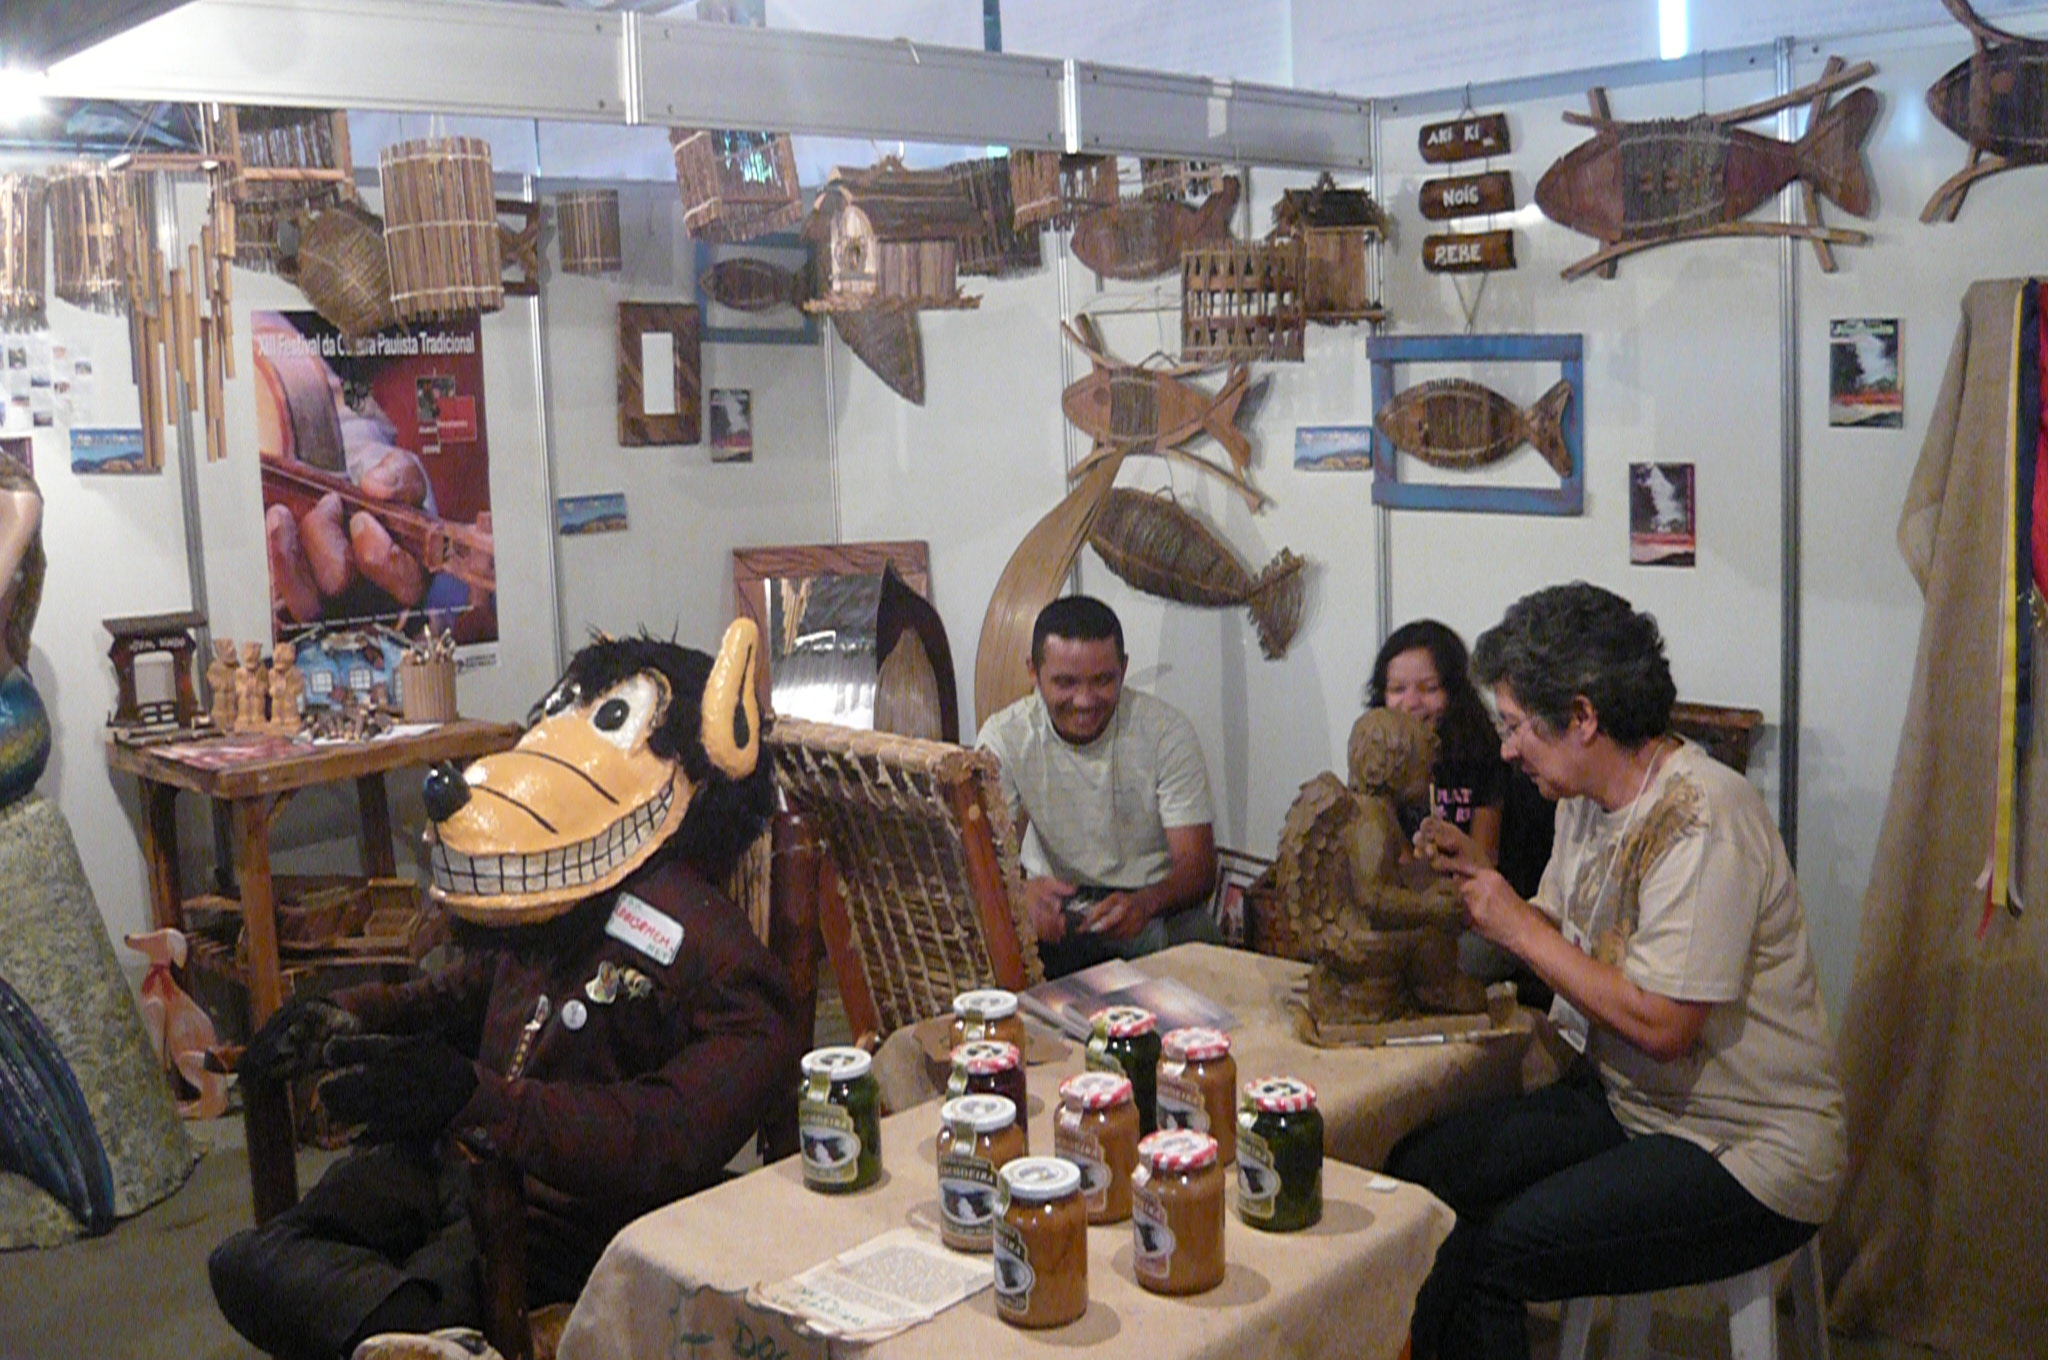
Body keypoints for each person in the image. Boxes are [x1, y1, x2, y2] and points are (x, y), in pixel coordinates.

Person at [210, 627, 804, 1360]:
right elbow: (466, 990)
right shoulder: (567, 904)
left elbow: (669, 1131)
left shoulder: (712, 951)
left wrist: (486, 1103)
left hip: (560, 1221)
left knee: (392, 1309)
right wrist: (350, 1013)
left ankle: (426, 1337)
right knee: (246, 1263)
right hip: (457, 1165)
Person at [1391, 583, 1845, 1360]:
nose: (1507, 750)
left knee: (1492, 1256)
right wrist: (1486, 886)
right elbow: (1567, 938)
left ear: (1582, 717)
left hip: (1745, 1146)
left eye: (1516, 726)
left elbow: (1663, 1025)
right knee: (1419, 1180)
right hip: (1628, 1101)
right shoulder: (1581, 798)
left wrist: (1514, 926)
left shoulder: (1703, 816)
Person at [977, 595, 1218, 977]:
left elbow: (1199, 867)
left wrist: (1145, 903)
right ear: (1033, 672)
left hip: (1146, 907)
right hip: (1056, 906)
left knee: (1198, 936)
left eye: (1103, 680)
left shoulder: (1166, 732)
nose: (1084, 701)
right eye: (1065, 683)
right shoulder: (1005, 736)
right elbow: (976, 855)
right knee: (986, 936)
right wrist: (1018, 893)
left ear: (1123, 669)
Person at [1368, 620, 1552, 1002]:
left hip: (1478, 915)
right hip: (1412, 910)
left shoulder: (1483, 755)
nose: (1412, 703)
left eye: (1428, 689)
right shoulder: (1378, 763)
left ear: (1453, 691)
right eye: (1397, 689)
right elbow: (1386, 865)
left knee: (1441, 966)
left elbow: (1484, 860)